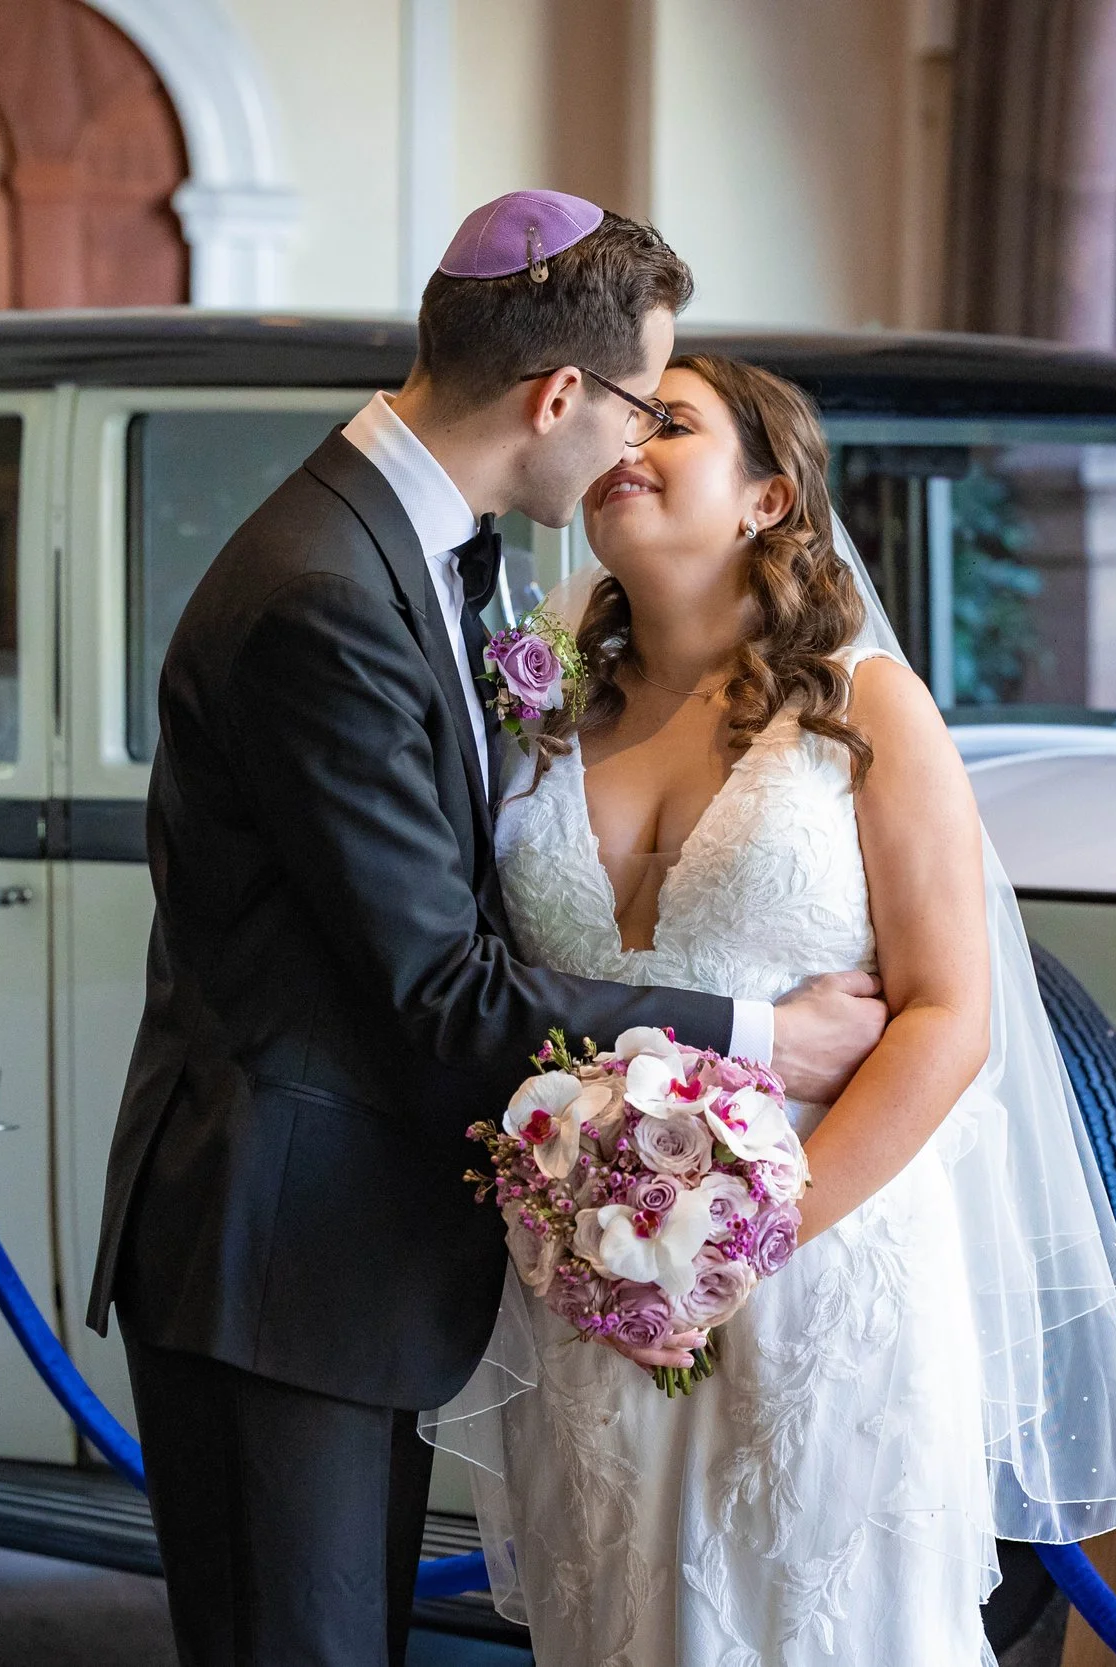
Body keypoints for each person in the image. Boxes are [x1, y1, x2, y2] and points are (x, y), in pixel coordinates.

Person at [84, 193, 890, 1667]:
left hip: (342, 1252)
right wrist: (765, 1038)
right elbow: (444, 991)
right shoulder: (322, 594)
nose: (634, 443)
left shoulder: (413, 550)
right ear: (559, 394)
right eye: (642, 402)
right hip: (280, 1254)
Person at [426, 354, 1116, 1665]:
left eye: (671, 422)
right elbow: (489, 980)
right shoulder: (535, 719)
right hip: (598, 1281)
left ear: (768, 498)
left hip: (824, 1276)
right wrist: (619, 1236)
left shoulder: (870, 708)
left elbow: (948, 1014)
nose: (627, 441)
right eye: (619, 416)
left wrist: (745, 1240)